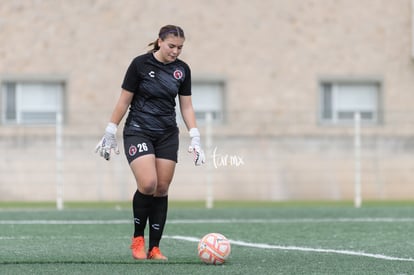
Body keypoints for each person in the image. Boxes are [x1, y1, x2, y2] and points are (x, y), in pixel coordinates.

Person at [95, 24, 205, 260]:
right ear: (159, 42)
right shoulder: (140, 65)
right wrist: (110, 130)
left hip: (167, 133)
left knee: (162, 188)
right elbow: (124, 101)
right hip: (139, 130)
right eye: (171, 46)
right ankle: (137, 239)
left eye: (180, 47)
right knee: (148, 184)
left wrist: (195, 136)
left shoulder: (182, 70)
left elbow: (186, 105)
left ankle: (154, 248)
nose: (176, 51)